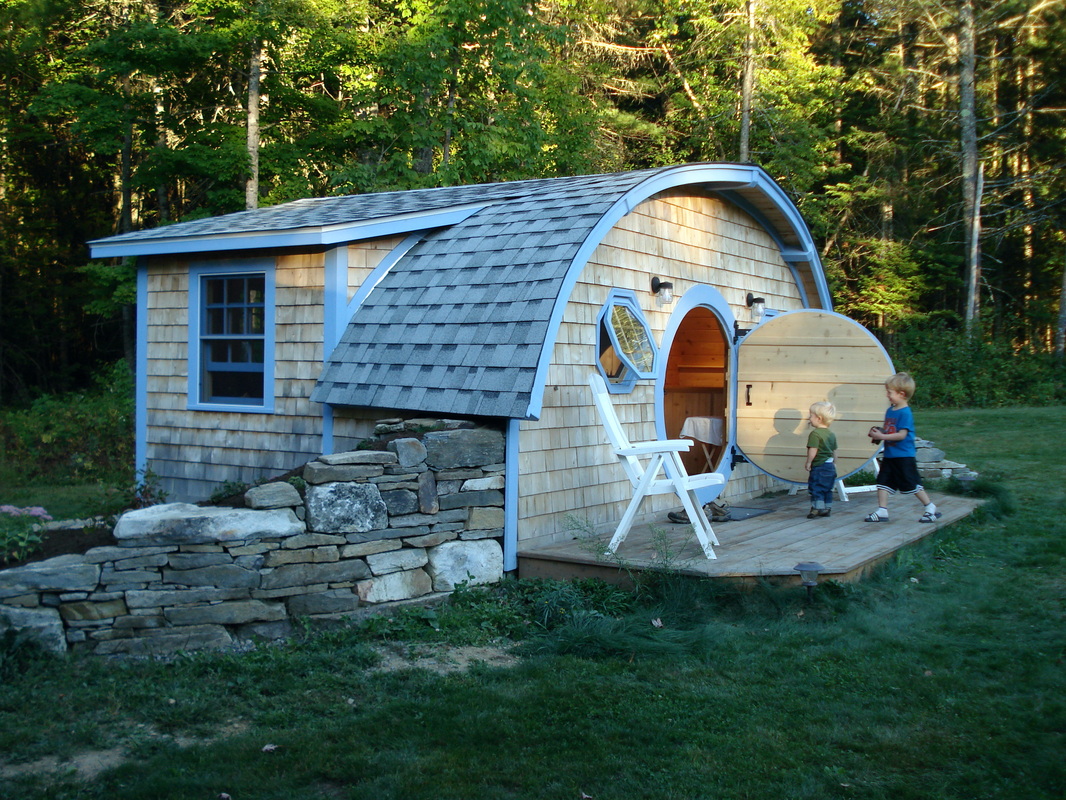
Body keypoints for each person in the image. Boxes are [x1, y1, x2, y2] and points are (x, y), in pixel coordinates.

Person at [865, 372, 941, 523]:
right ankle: (882, 511)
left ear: (901, 394)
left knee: (911, 482)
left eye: (889, 392)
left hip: (904, 456)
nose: (887, 395)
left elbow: (901, 435)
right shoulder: (890, 411)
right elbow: (891, 430)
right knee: (883, 481)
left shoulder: (905, 412)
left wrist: (883, 437)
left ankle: (930, 508)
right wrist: (878, 433)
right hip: (890, 455)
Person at [804, 401, 838, 519]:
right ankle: (827, 508)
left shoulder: (815, 434)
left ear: (818, 418)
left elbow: (813, 450)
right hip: (830, 466)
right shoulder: (831, 434)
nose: (809, 418)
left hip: (819, 466)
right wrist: (834, 463)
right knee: (827, 488)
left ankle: (817, 508)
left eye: (811, 415)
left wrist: (809, 462)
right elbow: (834, 450)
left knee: (816, 487)